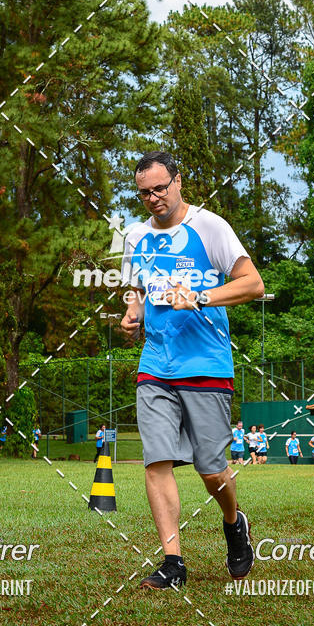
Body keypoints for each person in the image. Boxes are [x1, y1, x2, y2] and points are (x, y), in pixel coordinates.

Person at [120, 151, 265, 589]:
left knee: (210, 468)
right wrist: (133, 314)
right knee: (156, 461)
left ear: (178, 182)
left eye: (160, 188)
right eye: (144, 193)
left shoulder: (210, 227)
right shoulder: (134, 237)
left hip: (205, 363)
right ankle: (173, 563)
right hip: (155, 364)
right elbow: (137, 289)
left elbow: (253, 284)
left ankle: (233, 522)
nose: (153, 198)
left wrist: (200, 296)